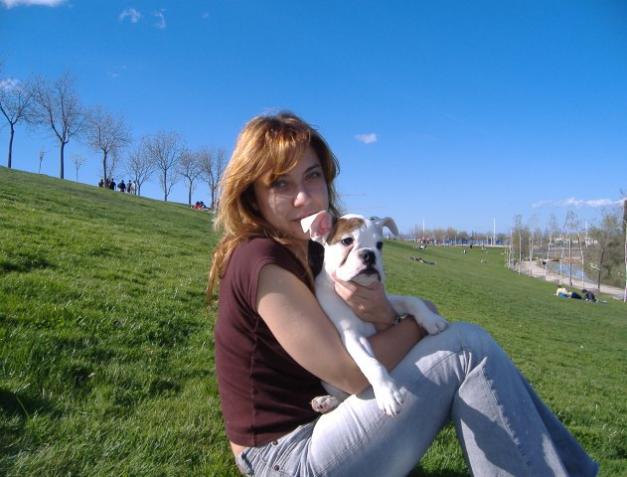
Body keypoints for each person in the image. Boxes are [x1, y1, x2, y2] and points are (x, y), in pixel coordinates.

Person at [209, 112, 598, 477]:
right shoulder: (261, 260)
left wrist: (388, 314)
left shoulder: (317, 252)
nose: (303, 197)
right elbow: (349, 373)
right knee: (468, 349)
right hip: (285, 457)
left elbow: (370, 326)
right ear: (252, 196)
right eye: (280, 183)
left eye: (312, 176)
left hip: (324, 418)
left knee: (470, 346)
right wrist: (419, 319)